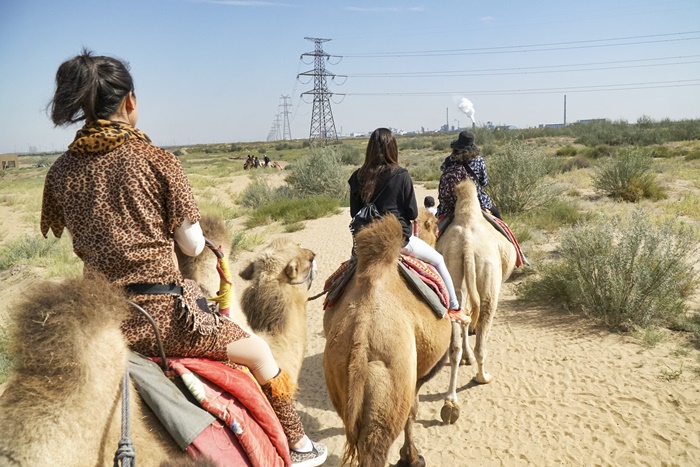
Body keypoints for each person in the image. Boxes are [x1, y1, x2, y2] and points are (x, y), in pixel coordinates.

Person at [40, 49, 326, 467]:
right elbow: (192, 246)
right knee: (262, 354)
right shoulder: (158, 161)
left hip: (99, 322)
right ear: (130, 102)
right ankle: (301, 446)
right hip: (165, 321)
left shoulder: (60, 172)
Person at [348, 128, 467, 322]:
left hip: (367, 244)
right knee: (437, 260)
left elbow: (355, 214)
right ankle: (454, 306)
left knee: (345, 276)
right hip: (399, 242)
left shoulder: (357, 177)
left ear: (369, 149)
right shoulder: (401, 175)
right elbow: (412, 212)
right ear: (392, 148)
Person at [437, 130, 501, 220]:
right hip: (477, 200)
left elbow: (443, 176)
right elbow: (484, 182)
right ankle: (508, 234)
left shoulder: (448, 160)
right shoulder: (478, 160)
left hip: (450, 205)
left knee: (434, 228)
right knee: (499, 220)